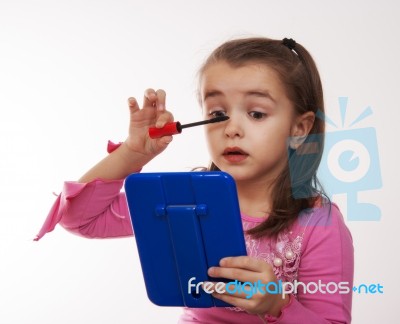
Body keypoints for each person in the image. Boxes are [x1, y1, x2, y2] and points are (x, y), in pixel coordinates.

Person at [35, 37, 354, 323]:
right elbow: (79, 219)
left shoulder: (318, 223)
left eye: (256, 113)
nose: (231, 129)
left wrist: (277, 304)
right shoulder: (183, 199)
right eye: (217, 114)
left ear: (300, 128)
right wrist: (133, 153)